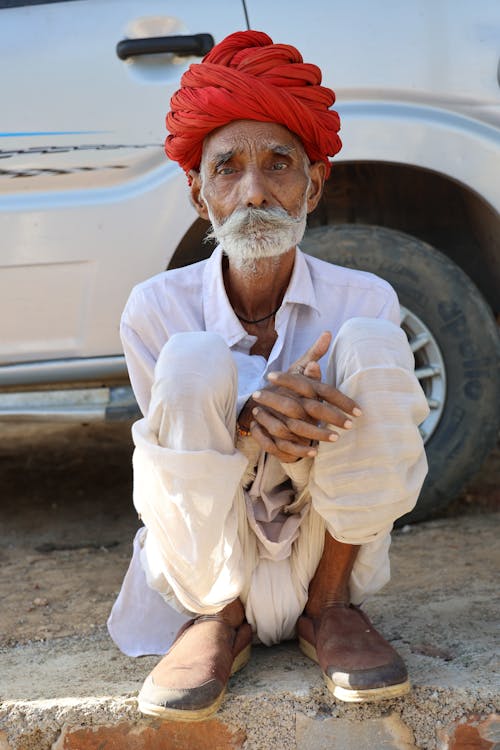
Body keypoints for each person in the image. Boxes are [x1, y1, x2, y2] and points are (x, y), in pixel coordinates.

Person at [108, 30, 429, 721]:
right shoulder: (154, 309)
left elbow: (381, 446)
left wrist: (312, 423)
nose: (254, 192)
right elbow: (173, 467)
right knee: (191, 360)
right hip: (206, 568)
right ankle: (217, 622)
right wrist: (250, 418)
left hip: (327, 552)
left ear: (312, 183)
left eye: (278, 164)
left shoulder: (363, 299)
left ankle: (329, 613)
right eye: (227, 169)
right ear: (199, 195)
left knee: (373, 342)